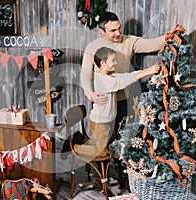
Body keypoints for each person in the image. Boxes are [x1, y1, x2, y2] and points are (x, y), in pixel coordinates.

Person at [80, 11, 164, 190]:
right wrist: (90, 94)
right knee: (104, 142)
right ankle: (99, 178)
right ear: (101, 31)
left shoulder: (129, 41)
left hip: (126, 101)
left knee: (126, 139)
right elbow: (85, 74)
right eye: (112, 31)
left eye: (119, 28)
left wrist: (171, 36)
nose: (118, 33)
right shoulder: (92, 47)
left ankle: (124, 178)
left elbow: (152, 44)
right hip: (105, 102)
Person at [74, 47, 160, 160]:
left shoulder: (109, 76)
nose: (116, 63)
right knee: (103, 152)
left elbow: (126, 76)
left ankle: (86, 141)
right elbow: (121, 82)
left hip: (107, 120)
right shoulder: (102, 80)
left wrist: (147, 71)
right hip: (101, 122)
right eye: (113, 60)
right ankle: (75, 147)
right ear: (103, 63)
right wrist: (147, 72)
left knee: (105, 146)